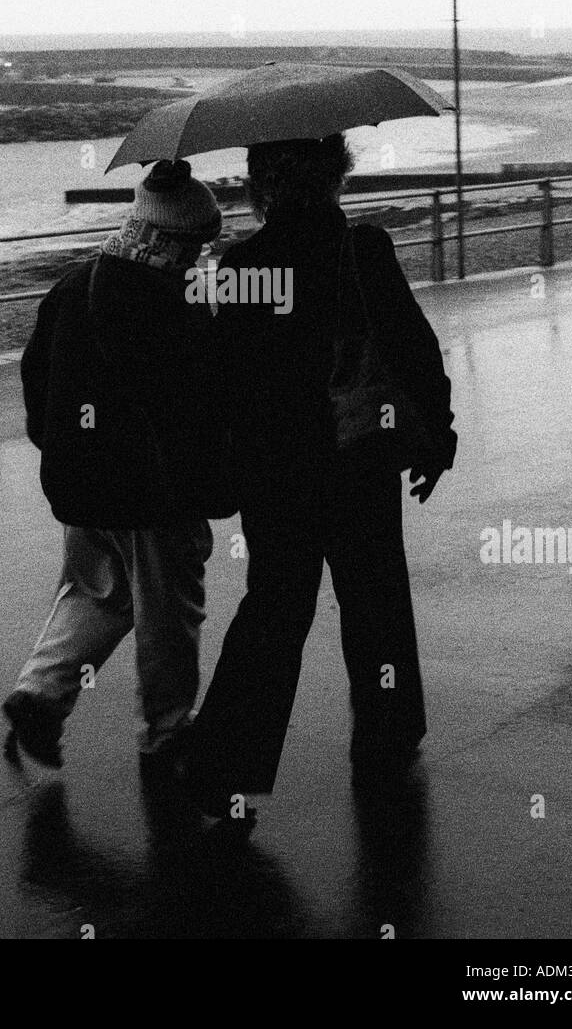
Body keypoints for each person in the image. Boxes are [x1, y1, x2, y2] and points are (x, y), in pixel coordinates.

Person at [185, 134, 457, 815]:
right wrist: (436, 440)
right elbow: (413, 350)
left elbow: (217, 382)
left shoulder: (243, 264)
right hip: (360, 455)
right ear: (339, 177)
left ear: (261, 186)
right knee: (377, 603)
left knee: (274, 610)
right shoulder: (363, 252)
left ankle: (226, 769)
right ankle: (387, 737)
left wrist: (217, 469)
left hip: (276, 471)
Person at [3, 159, 233, 779]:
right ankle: (165, 735)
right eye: (196, 244)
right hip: (154, 494)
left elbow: (36, 379)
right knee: (169, 613)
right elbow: (194, 408)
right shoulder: (176, 303)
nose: (199, 255)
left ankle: (40, 693)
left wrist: (59, 448)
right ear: (174, 239)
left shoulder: (74, 286)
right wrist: (215, 482)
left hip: (81, 483)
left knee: (94, 591)